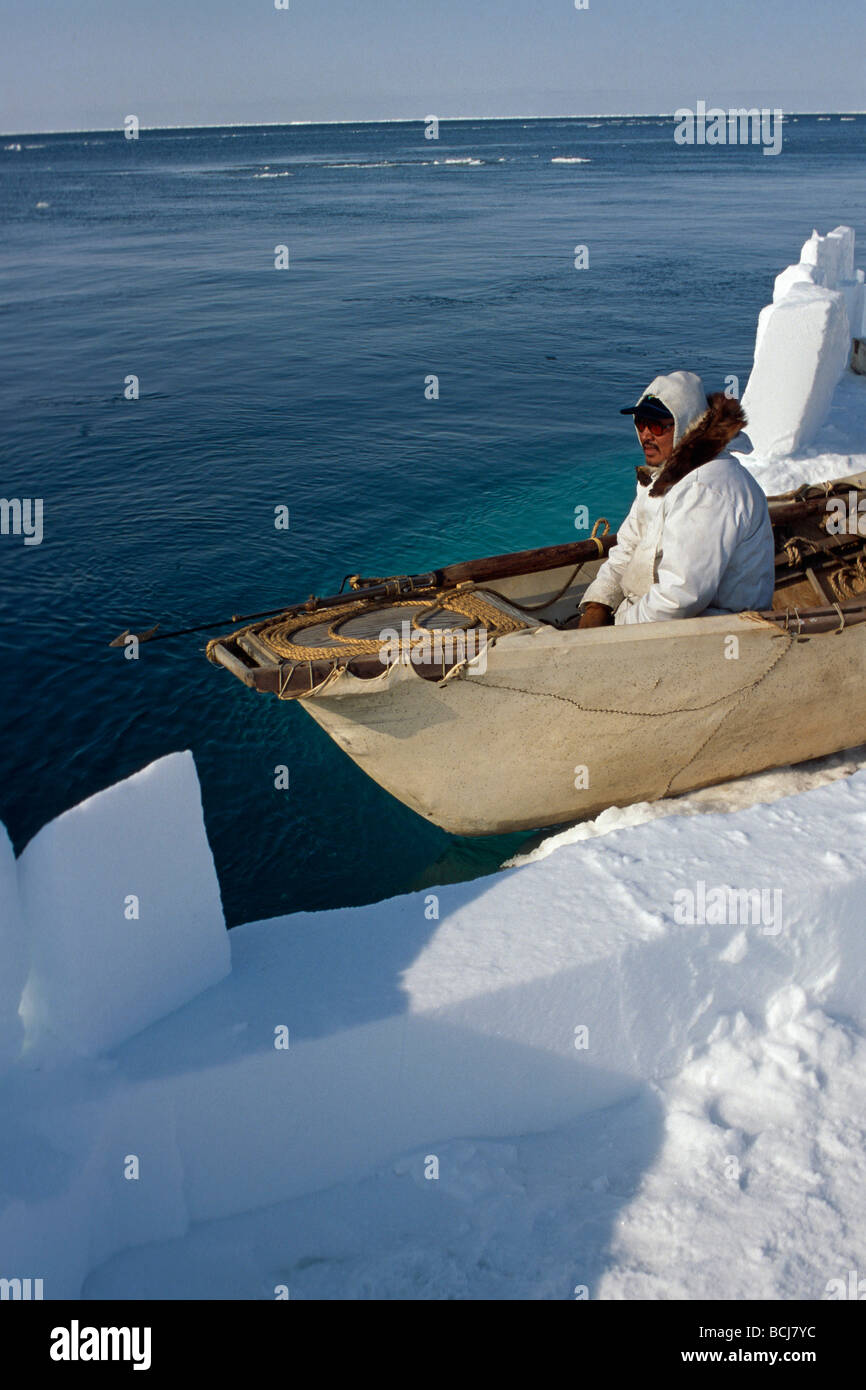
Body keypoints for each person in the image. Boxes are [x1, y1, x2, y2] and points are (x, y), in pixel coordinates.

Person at [573, 371, 775, 628]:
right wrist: (598, 604)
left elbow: (680, 598)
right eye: (640, 422)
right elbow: (628, 546)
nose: (646, 434)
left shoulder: (707, 490)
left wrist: (616, 629)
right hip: (650, 619)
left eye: (657, 425)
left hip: (711, 630)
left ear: (685, 424)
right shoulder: (661, 477)